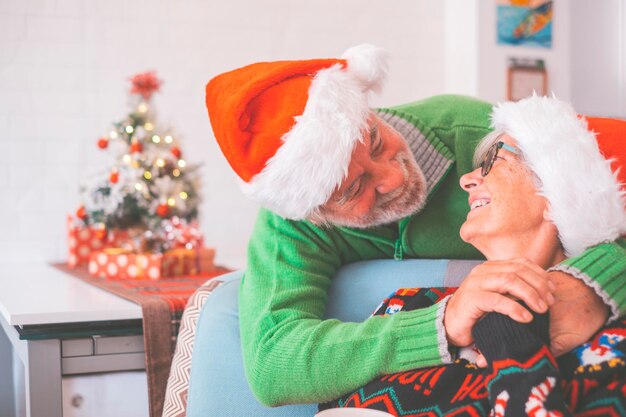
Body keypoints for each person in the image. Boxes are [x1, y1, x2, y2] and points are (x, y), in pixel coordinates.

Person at [204, 44, 626, 406]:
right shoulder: (293, 224)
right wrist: (441, 324)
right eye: (353, 189)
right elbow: (274, 363)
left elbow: (596, 191)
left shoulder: (483, 140)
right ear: (313, 212)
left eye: (374, 141)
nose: (392, 178)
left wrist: (590, 281)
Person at [320, 95, 626, 416]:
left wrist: (511, 335)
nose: (467, 180)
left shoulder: (610, 347)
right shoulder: (408, 304)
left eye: (494, 161)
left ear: (559, 191)